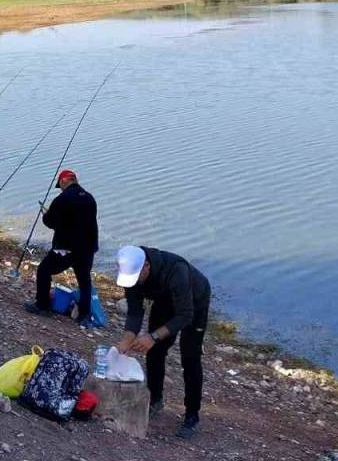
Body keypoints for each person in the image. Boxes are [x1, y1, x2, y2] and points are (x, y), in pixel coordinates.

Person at [114, 244, 212, 440]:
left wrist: (153, 336)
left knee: (190, 358)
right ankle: (155, 400)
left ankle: (192, 415)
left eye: (136, 279)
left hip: (194, 301)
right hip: (164, 300)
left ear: (147, 267)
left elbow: (185, 315)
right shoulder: (130, 272)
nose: (133, 284)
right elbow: (134, 310)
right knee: (155, 352)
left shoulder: (176, 270)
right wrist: (126, 340)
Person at [24, 170, 98, 328]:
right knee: (84, 281)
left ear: (64, 181)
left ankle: (42, 305)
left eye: (60, 185)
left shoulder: (62, 199)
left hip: (66, 248)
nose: (61, 188)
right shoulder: (90, 198)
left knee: (44, 270)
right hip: (87, 249)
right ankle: (84, 316)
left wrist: (45, 215)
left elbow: (51, 222)